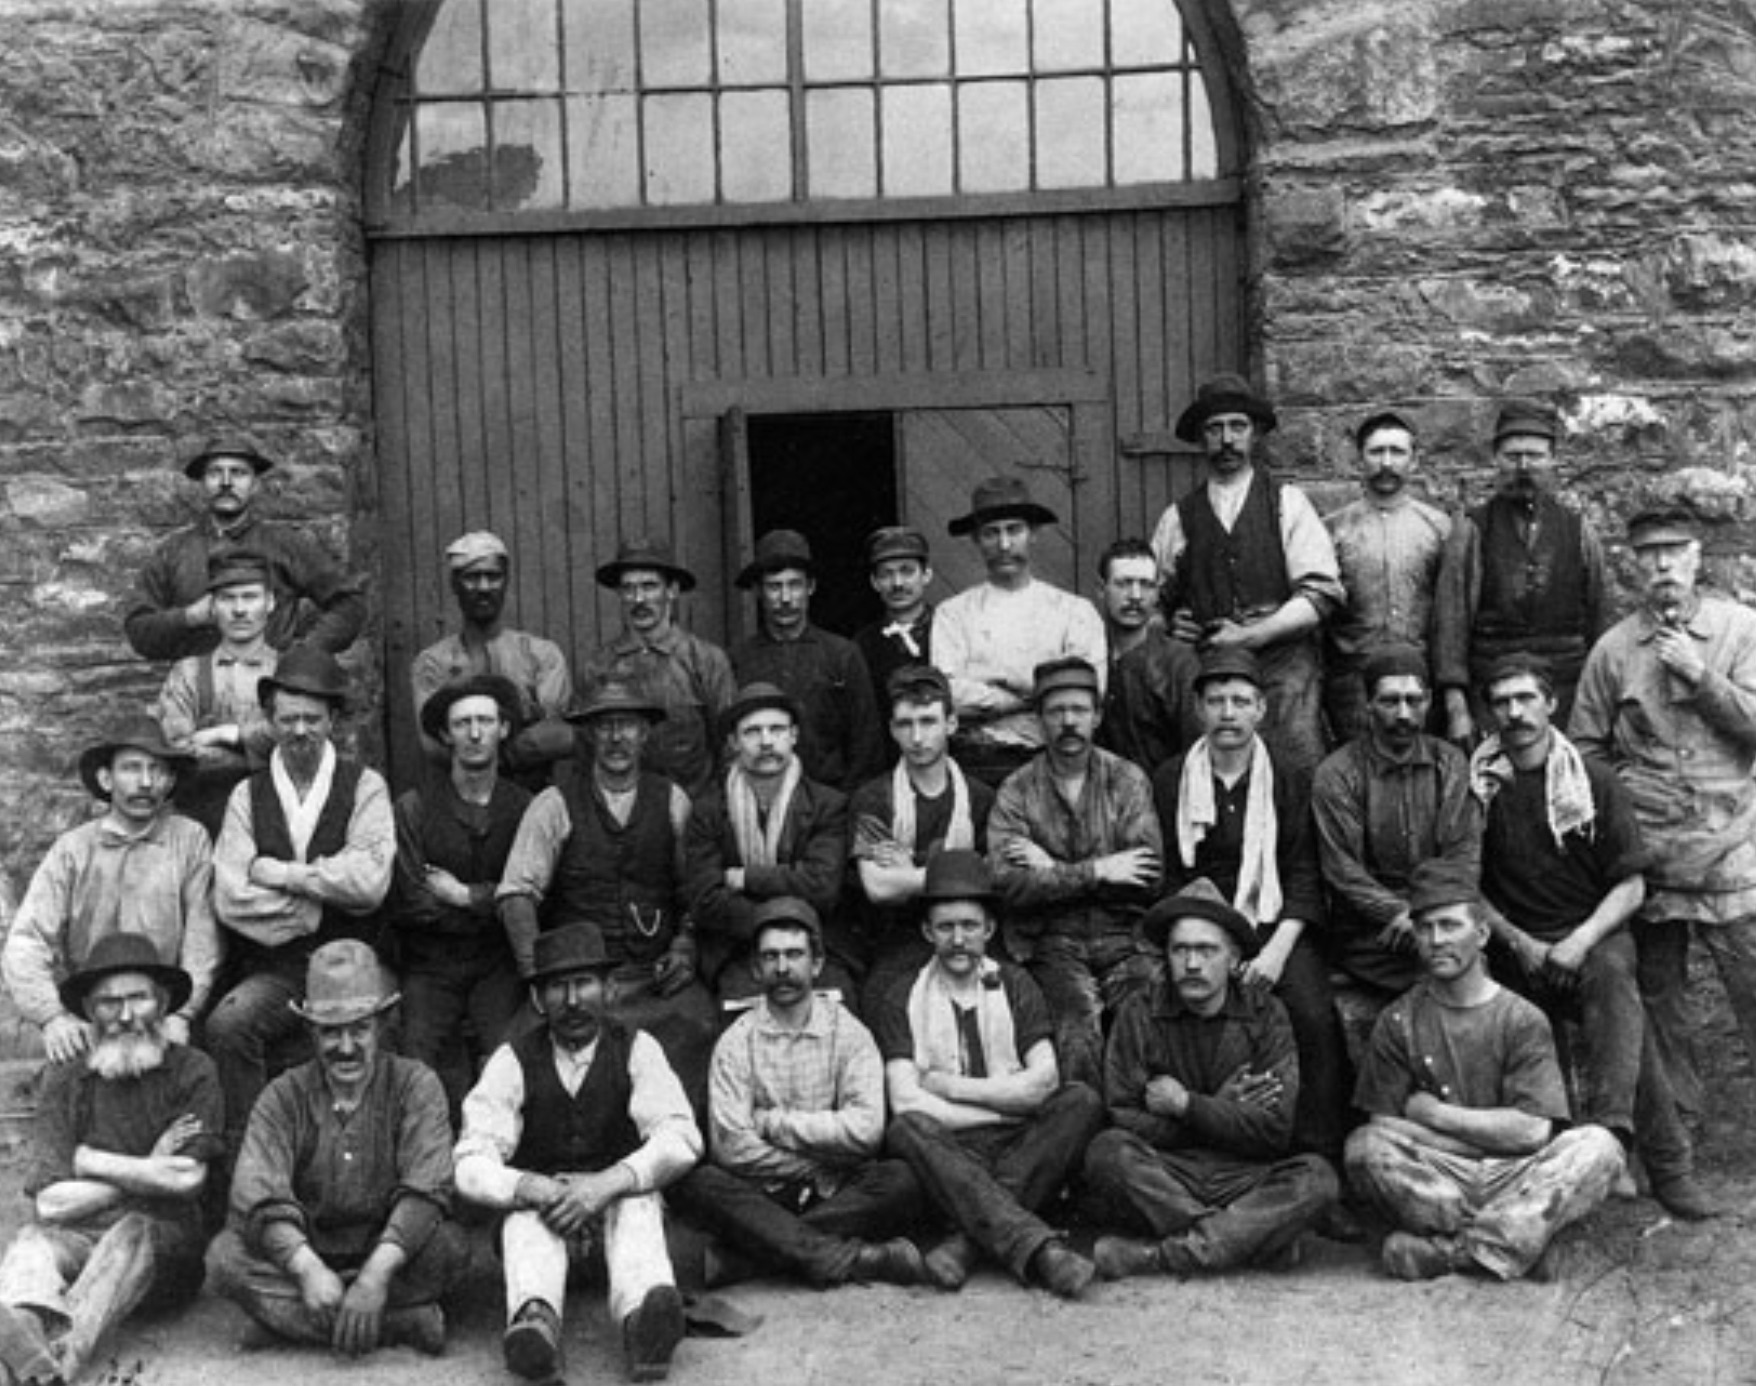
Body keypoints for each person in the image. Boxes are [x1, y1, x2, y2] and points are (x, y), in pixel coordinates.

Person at [1472, 652, 1709, 1219]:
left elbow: (1631, 886)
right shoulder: (1479, 784)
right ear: (1490, 713)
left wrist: (1578, 940)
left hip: (1592, 935)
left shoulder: (1591, 778)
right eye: (1503, 702)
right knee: (1623, 1029)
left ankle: (1613, 1134)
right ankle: (1645, 1163)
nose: (1515, 713)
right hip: (1514, 944)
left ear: (1551, 703)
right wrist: (1517, 942)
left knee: (1611, 979)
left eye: (1526, 698)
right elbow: (1466, 885)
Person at [1345, 863, 1624, 1281]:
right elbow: (1383, 1123)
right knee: (1363, 1148)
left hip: (1518, 1173)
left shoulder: (1521, 1018)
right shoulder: (1399, 1020)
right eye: (1424, 928)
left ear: (1481, 934)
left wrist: (1434, 1115)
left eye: (1450, 926)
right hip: (1441, 1175)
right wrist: (1478, 1143)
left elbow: (1531, 1132)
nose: (1437, 940)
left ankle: (1453, 1251)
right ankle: (1516, 1242)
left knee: (1599, 1148)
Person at [1571, 503, 1756, 1126]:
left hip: (1731, 844)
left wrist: (1701, 678)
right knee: (1662, 1000)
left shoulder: (1740, 629)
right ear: (1632, 564)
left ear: (1698, 557)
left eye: (1675, 551)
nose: (1663, 564)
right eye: (1649, 554)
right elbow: (1586, 751)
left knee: (1751, 984)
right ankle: (1680, 1130)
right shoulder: (1614, 650)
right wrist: (1623, 808)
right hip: (1651, 851)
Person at [455, 923, 700, 1385]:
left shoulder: (637, 1049)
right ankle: (535, 1326)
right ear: (537, 1000)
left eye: (584, 983)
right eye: (557, 987)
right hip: (545, 1229)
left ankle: (644, 1321)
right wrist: (530, 1186)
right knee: (523, 1214)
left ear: (608, 989)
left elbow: (682, 1136)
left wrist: (609, 1183)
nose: (572, 1001)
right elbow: (470, 1159)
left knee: (639, 1198)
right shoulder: (513, 1060)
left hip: (618, 1236)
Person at [207, 941, 468, 1356]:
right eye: (330, 1031)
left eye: (359, 1029)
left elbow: (428, 1186)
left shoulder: (416, 1084)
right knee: (225, 1258)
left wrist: (374, 1277)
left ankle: (286, 1324)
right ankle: (397, 1325)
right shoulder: (283, 1095)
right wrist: (306, 1268)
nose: (345, 1046)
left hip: (390, 1253)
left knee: (450, 1249)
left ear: (381, 1026)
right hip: (308, 1252)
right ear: (310, 1031)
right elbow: (256, 1194)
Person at [1152, 647, 1351, 1169]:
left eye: (1241, 701)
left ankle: (1315, 1156)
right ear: (1199, 709)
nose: (1228, 713)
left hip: (1272, 925)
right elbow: (1170, 874)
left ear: (1262, 709)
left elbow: (1304, 872)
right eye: (1215, 700)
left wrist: (1275, 953)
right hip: (1199, 924)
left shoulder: (1289, 776)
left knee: (1312, 1014)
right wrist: (1212, 937)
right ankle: (1203, 1154)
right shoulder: (1172, 778)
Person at [667, 898, 931, 1288]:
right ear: (756, 969)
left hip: (837, 1194)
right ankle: (855, 1258)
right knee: (700, 1183)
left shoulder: (851, 1034)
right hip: (763, 1193)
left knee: (901, 1180)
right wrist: (819, 1162)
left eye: (794, 955)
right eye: (770, 957)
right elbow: (732, 1147)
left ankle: (748, 1259)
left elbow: (866, 1131)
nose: (783, 968)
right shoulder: (736, 1042)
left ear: (817, 964)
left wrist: (773, 1123)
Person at [874, 851, 1105, 1298]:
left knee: (1080, 1102)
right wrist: (1002, 1110)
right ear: (927, 932)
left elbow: (1044, 1083)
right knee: (906, 1129)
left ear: (989, 930)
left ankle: (966, 1243)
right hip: (952, 1149)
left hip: (1022, 1144)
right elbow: (906, 1100)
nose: (958, 939)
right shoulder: (902, 994)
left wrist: (950, 1087)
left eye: (969, 926)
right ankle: (1041, 1252)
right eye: (945, 927)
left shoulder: (1016, 983)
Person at [1085, 881, 1340, 1279]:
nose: (1191, 964)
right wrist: (1222, 1110)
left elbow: (1273, 1131)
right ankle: (1246, 1237)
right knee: (1106, 1152)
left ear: (1234, 957)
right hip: (1168, 1173)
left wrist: (1188, 1105)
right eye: (1180, 950)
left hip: (1243, 1175)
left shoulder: (1265, 1014)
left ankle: (1160, 1256)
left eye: (1206, 950)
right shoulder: (1139, 1011)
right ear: (1166, 956)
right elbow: (1123, 1115)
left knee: (1318, 1179)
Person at [0, 936, 224, 1386]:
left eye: (138, 998)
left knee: (132, 1230)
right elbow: (50, 1204)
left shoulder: (193, 1070)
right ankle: (25, 1345)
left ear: (161, 1003)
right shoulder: (66, 1076)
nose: (125, 1016)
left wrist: (88, 1161)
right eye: (109, 1003)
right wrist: (147, 1167)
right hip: (78, 1243)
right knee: (30, 1243)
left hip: (164, 1258)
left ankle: (55, 1363)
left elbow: (185, 1181)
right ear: (87, 1008)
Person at [497, 677, 716, 1105]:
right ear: (589, 735)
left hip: (654, 981)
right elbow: (516, 895)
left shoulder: (672, 801)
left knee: (703, 1026)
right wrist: (537, 978)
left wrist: (686, 946)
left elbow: (696, 889)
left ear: (645, 733)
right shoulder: (553, 805)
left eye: (628, 725)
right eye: (605, 726)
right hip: (578, 986)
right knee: (520, 1054)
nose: (617, 737)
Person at [207, 645, 393, 1148]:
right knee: (228, 1024)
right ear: (271, 719)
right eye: (288, 719)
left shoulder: (365, 787)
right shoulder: (248, 795)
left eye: (312, 718)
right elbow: (231, 896)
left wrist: (285, 875)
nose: (300, 731)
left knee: (392, 1026)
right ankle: (250, 1165)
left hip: (357, 960)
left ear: (333, 719)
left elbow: (370, 882)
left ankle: (371, 1162)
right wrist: (312, 908)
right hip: (280, 968)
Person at [1150, 374, 1345, 778]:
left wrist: (1253, 635)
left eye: (1237, 427)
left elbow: (1321, 596)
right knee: (1211, 771)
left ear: (1254, 434)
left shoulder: (1287, 505)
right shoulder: (1177, 518)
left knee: (1295, 767)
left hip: (1284, 666)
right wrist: (1169, 624)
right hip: (1212, 667)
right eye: (1214, 429)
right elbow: (1151, 603)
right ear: (1201, 439)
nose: (1226, 440)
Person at [987, 657, 1162, 1088]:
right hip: (1051, 941)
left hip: (1125, 938)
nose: (1069, 722)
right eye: (1056, 711)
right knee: (1076, 1031)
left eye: (1079, 710)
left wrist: (1052, 871)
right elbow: (1007, 883)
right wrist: (1098, 871)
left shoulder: (1126, 780)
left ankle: (1139, 1130)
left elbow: (1147, 876)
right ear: (1039, 720)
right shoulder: (1018, 789)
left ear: (1098, 716)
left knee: (1147, 1019)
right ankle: (1080, 1133)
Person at [2, 719, 218, 1064]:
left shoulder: (189, 840)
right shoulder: (72, 850)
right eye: (132, 769)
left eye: (157, 771)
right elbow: (27, 939)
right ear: (106, 779)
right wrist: (52, 1017)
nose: (146, 782)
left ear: (171, 780)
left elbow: (202, 938)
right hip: (93, 1013)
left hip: (159, 1011)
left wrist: (182, 1014)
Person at [387, 674, 533, 1116]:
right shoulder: (413, 808)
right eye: (463, 723)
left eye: (485, 721)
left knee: (513, 1058)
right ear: (445, 735)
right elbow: (413, 899)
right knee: (415, 1060)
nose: (474, 733)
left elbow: (529, 894)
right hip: (432, 965)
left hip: (497, 963)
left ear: (503, 729)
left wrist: (465, 896)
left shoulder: (527, 807)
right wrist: (495, 905)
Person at [1312, 644, 1481, 1001]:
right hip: (1373, 930)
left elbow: (1463, 853)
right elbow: (1343, 870)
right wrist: (1399, 912)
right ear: (1368, 705)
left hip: (1441, 911)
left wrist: (1425, 912)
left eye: (1413, 700)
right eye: (1390, 701)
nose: (1403, 713)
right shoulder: (1338, 773)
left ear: (1429, 701)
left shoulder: (1449, 763)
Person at [1435, 399, 1610, 741]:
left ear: (1553, 461)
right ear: (1496, 461)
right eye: (1513, 457)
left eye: (1535, 456)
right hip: (1493, 691)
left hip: (1566, 691)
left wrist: (1602, 699)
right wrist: (1456, 706)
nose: (1524, 466)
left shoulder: (1578, 529)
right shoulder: (1472, 529)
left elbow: (1599, 616)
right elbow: (1451, 624)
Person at [686, 682, 855, 1008]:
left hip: (815, 945)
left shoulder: (827, 805)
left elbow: (821, 887)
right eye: (752, 732)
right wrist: (772, 924)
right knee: (738, 1010)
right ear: (734, 742)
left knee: (837, 1006)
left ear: (794, 735)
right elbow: (705, 899)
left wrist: (745, 878)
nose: (766, 741)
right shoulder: (708, 810)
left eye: (776, 729)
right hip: (739, 948)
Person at [124, 434, 365, 662]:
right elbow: (138, 630)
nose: (226, 482)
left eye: (238, 473)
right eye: (215, 473)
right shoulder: (174, 552)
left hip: (273, 690)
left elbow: (348, 604)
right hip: (199, 694)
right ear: (202, 484)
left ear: (255, 484)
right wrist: (188, 617)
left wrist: (305, 653)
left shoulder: (287, 545)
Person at [932, 476, 1108, 786]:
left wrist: (992, 682)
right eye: (991, 533)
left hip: (1055, 763)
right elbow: (948, 697)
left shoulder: (1074, 611)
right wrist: (1027, 696)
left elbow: (1088, 690)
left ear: (1033, 534)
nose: (1004, 544)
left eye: (1014, 530)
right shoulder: (953, 614)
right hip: (978, 766)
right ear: (976, 539)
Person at [848, 664, 994, 1008]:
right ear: (892, 730)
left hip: (968, 934)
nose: (917, 738)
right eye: (905, 724)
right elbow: (879, 888)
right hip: (897, 935)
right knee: (884, 1001)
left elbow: (991, 878)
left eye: (928, 722)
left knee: (1001, 995)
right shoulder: (874, 798)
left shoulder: (980, 798)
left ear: (951, 724)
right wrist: (959, 870)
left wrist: (909, 869)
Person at [1322, 410, 1453, 743]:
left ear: (1414, 461)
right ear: (1359, 460)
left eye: (1397, 452)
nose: (1386, 462)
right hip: (1353, 684)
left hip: (1419, 679)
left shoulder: (1438, 528)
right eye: (1376, 452)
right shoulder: (1333, 529)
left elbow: (1452, 611)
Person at [409, 530, 574, 788]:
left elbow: (555, 733)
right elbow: (433, 745)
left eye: (493, 576)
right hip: (460, 796)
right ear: (454, 584)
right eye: (472, 578)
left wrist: (480, 752)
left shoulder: (542, 655)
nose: (484, 587)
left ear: (506, 581)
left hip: (532, 797)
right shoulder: (433, 662)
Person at [729, 528, 884, 793]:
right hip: (759, 798)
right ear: (757, 591)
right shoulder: (738, 658)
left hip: (831, 802)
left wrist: (849, 806)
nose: (785, 598)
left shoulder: (842, 654)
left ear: (810, 587)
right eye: (774, 587)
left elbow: (866, 743)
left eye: (794, 585)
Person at [581, 536, 737, 800]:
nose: (639, 599)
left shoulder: (706, 660)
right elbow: (585, 754)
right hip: (621, 818)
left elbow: (731, 747)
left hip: (693, 816)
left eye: (649, 586)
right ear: (619, 594)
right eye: (629, 589)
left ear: (672, 591)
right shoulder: (599, 666)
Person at [153, 549, 281, 835]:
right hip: (202, 820)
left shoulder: (289, 671)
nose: (239, 609)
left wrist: (227, 734)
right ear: (212, 607)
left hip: (278, 819)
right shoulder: (187, 673)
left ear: (270, 602)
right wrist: (260, 755)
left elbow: (297, 736)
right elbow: (178, 753)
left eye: (250, 597)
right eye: (227, 598)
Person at [1093, 538, 1201, 775]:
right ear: (1101, 590)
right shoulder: (1088, 655)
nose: (1135, 595)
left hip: (1161, 795)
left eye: (1146, 585)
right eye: (1123, 584)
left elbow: (1197, 749)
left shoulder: (1178, 662)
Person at [852, 525, 937, 720]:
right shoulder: (863, 644)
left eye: (907, 571)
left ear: (926, 575)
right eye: (886, 574)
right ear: (874, 582)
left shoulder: (950, 629)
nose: (897, 583)